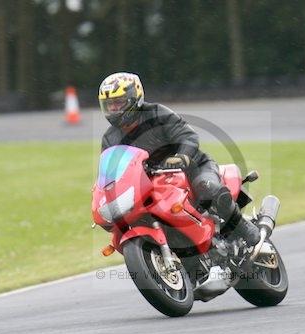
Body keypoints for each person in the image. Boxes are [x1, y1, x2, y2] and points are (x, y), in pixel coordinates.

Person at [98, 72, 260, 246]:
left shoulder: (157, 114)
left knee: (208, 189)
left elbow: (187, 135)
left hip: (192, 168)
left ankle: (242, 227)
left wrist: (182, 156)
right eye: (109, 105)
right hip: (150, 184)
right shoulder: (109, 138)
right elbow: (110, 170)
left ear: (134, 99)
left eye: (118, 102)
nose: (113, 109)